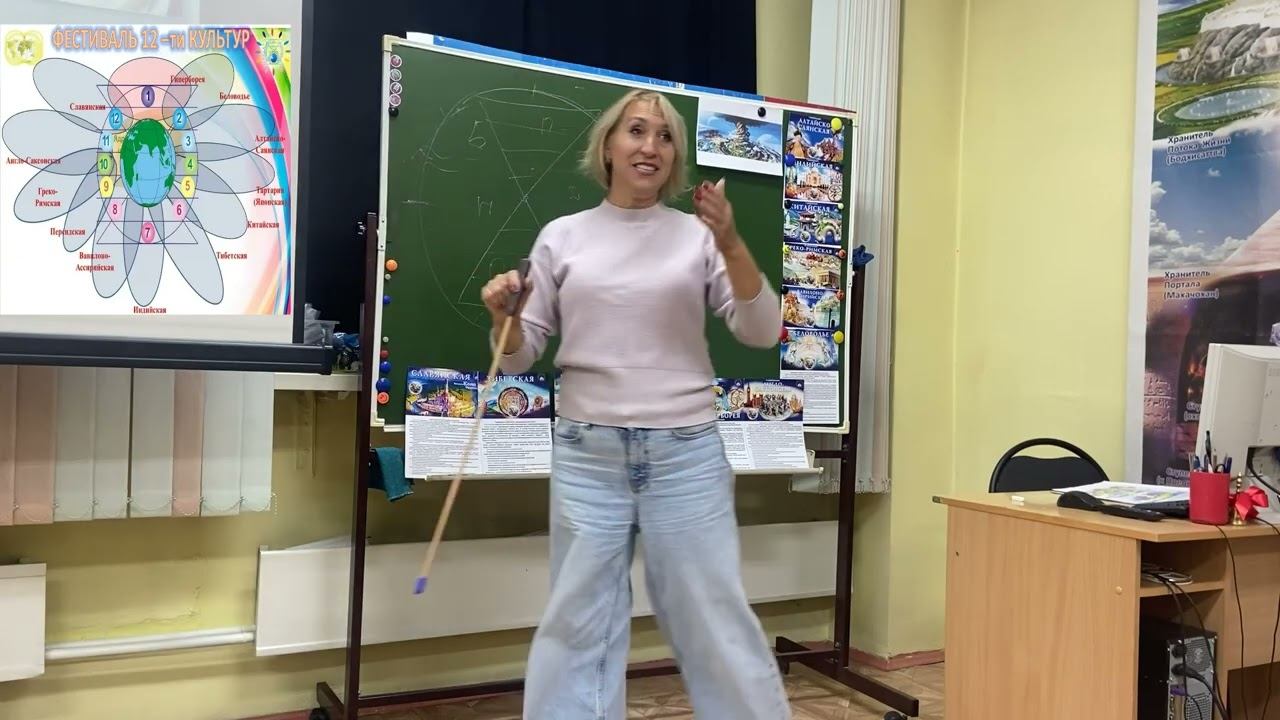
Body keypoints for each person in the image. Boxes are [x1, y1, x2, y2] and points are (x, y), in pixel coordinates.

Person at [480, 88, 790, 720]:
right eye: (637, 130)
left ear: (674, 158)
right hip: (587, 454)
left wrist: (731, 241)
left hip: (685, 454)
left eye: (665, 136)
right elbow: (517, 357)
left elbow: (762, 331)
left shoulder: (698, 238)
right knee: (578, 625)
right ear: (608, 147)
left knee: (713, 620)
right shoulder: (562, 237)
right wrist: (501, 318)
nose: (650, 145)